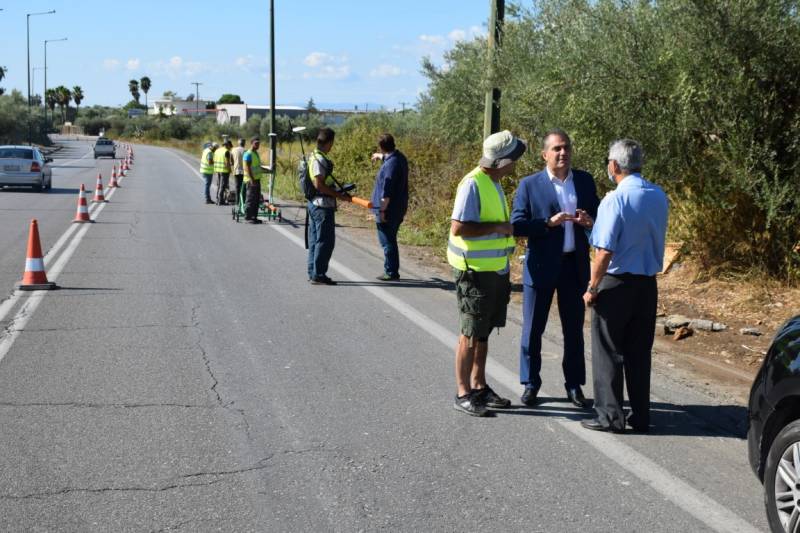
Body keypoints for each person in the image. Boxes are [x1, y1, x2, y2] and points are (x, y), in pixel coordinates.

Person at [580, 139, 668, 433]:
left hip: (616, 283)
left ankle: (610, 416)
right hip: (646, 284)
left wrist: (592, 287)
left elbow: (604, 251)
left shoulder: (614, 199)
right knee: (639, 353)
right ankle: (641, 415)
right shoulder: (658, 195)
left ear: (614, 165)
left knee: (608, 350)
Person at [511, 129, 600, 408]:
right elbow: (517, 224)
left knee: (573, 331)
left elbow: (600, 222)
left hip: (574, 267)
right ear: (544, 154)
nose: (563, 153)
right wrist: (547, 224)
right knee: (533, 329)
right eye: (557, 149)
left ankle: (574, 386)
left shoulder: (584, 181)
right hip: (541, 266)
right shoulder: (529, 185)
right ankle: (530, 384)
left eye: (567, 148)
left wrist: (589, 222)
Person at [448, 130, 526, 416]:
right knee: (470, 333)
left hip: (493, 270)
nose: (516, 163)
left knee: (483, 333)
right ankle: (463, 392)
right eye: (514, 158)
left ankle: (479, 386)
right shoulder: (472, 184)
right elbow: (459, 227)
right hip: (475, 273)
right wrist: (498, 228)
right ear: (502, 160)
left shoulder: (493, 181)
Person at [307, 127, 351, 285]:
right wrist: (339, 195)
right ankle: (318, 274)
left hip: (315, 204)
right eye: (332, 143)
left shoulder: (314, 155)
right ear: (329, 142)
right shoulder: (319, 159)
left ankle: (313, 273)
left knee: (315, 240)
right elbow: (319, 185)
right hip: (321, 206)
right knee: (325, 241)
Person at [369, 133, 409, 281]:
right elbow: (389, 157)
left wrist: (382, 211)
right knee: (390, 238)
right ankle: (392, 269)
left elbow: (387, 191)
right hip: (399, 207)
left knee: (387, 240)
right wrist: (380, 156)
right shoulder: (399, 157)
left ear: (381, 147)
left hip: (389, 209)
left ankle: (391, 271)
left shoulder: (391, 165)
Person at [243, 137, 268, 224]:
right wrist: (252, 180)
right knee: (250, 199)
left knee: (256, 200)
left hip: (257, 179)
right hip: (251, 180)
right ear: (251, 143)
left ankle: (254, 217)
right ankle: (248, 217)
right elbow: (247, 167)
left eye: (258, 143)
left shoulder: (256, 153)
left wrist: (265, 169)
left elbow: (257, 166)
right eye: (256, 143)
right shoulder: (248, 154)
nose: (258, 145)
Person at [214, 139, 233, 205]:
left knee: (219, 185)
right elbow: (227, 163)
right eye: (230, 146)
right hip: (224, 171)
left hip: (217, 170)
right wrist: (230, 170)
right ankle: (220, 201)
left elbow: (215, 160)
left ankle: (217, 199)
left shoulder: (217, 150)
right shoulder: (226, 152)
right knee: (222, 186)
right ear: (227, 145)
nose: (230, 148)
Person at [231, 138, 246, 205]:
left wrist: (234, 164)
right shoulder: (245, 151)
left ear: (238, 143)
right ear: (244, 143)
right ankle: (243, 201)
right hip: (244, 171)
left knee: (237, 187)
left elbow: (231, 160)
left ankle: (237, 202)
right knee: (243, 187)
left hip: (236, 170)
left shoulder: (233, 150)